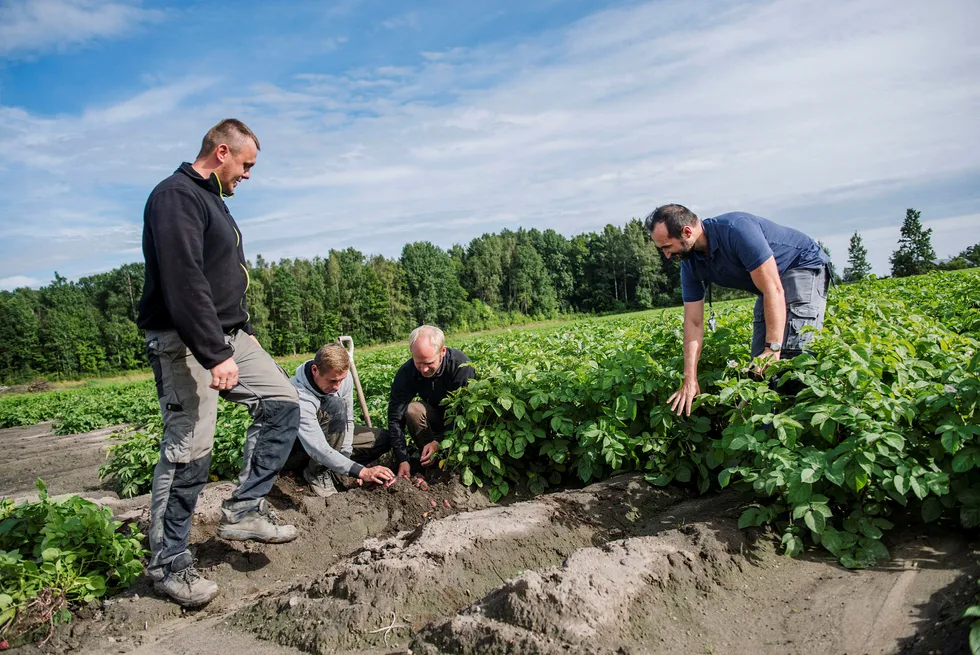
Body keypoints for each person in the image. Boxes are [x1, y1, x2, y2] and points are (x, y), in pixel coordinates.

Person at [137, 119, 300, 608]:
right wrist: (214, 352)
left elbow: (220, 275)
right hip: (186, 339)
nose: (248, 175)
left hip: (230, 334)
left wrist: (238, 333)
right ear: (223, 151)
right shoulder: (175, 196)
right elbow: (184, 279)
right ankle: (168, 563)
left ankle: (244, 507)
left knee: (283, 402)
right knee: (190, 447)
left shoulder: (212, 201)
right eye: (246, 165)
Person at [644, 204, 830, 417]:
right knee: (758, 368)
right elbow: (693, 322)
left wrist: (774, 347)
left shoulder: (736, 230)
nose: (667, 255)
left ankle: (803, 426)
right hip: (769, 286)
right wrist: (690, 378)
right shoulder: (690, 264)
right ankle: (762, 429)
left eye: (667, 247)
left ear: (687, 232)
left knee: (792, 355)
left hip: (800, 266)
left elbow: (773, 288)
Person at [289, 343, 396, 497]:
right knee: (335, 405)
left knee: (383, 439)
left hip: (332, 436)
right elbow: (317, 447)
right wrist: (362, 471)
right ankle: (317, 472)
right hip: (301, 448)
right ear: (315, 370)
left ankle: (337, 466)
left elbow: (348, 420)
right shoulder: (298, 395)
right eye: (332, 381)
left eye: (341, 380)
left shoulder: (342, 378)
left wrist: (346, 455)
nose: (338, 386)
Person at [387, 325, 476, 480]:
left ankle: (453, 464)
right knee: (413, 410)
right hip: (433, 420)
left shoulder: (460, 366)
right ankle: (431, 464)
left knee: (463, 421)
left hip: (458, 423)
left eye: (429, 363)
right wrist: (402, 459)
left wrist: (439, 441)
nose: (424, 369)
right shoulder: (407, 372)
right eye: (418, 363)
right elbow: (395, 416)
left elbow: (464, 413)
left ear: (442, 351)